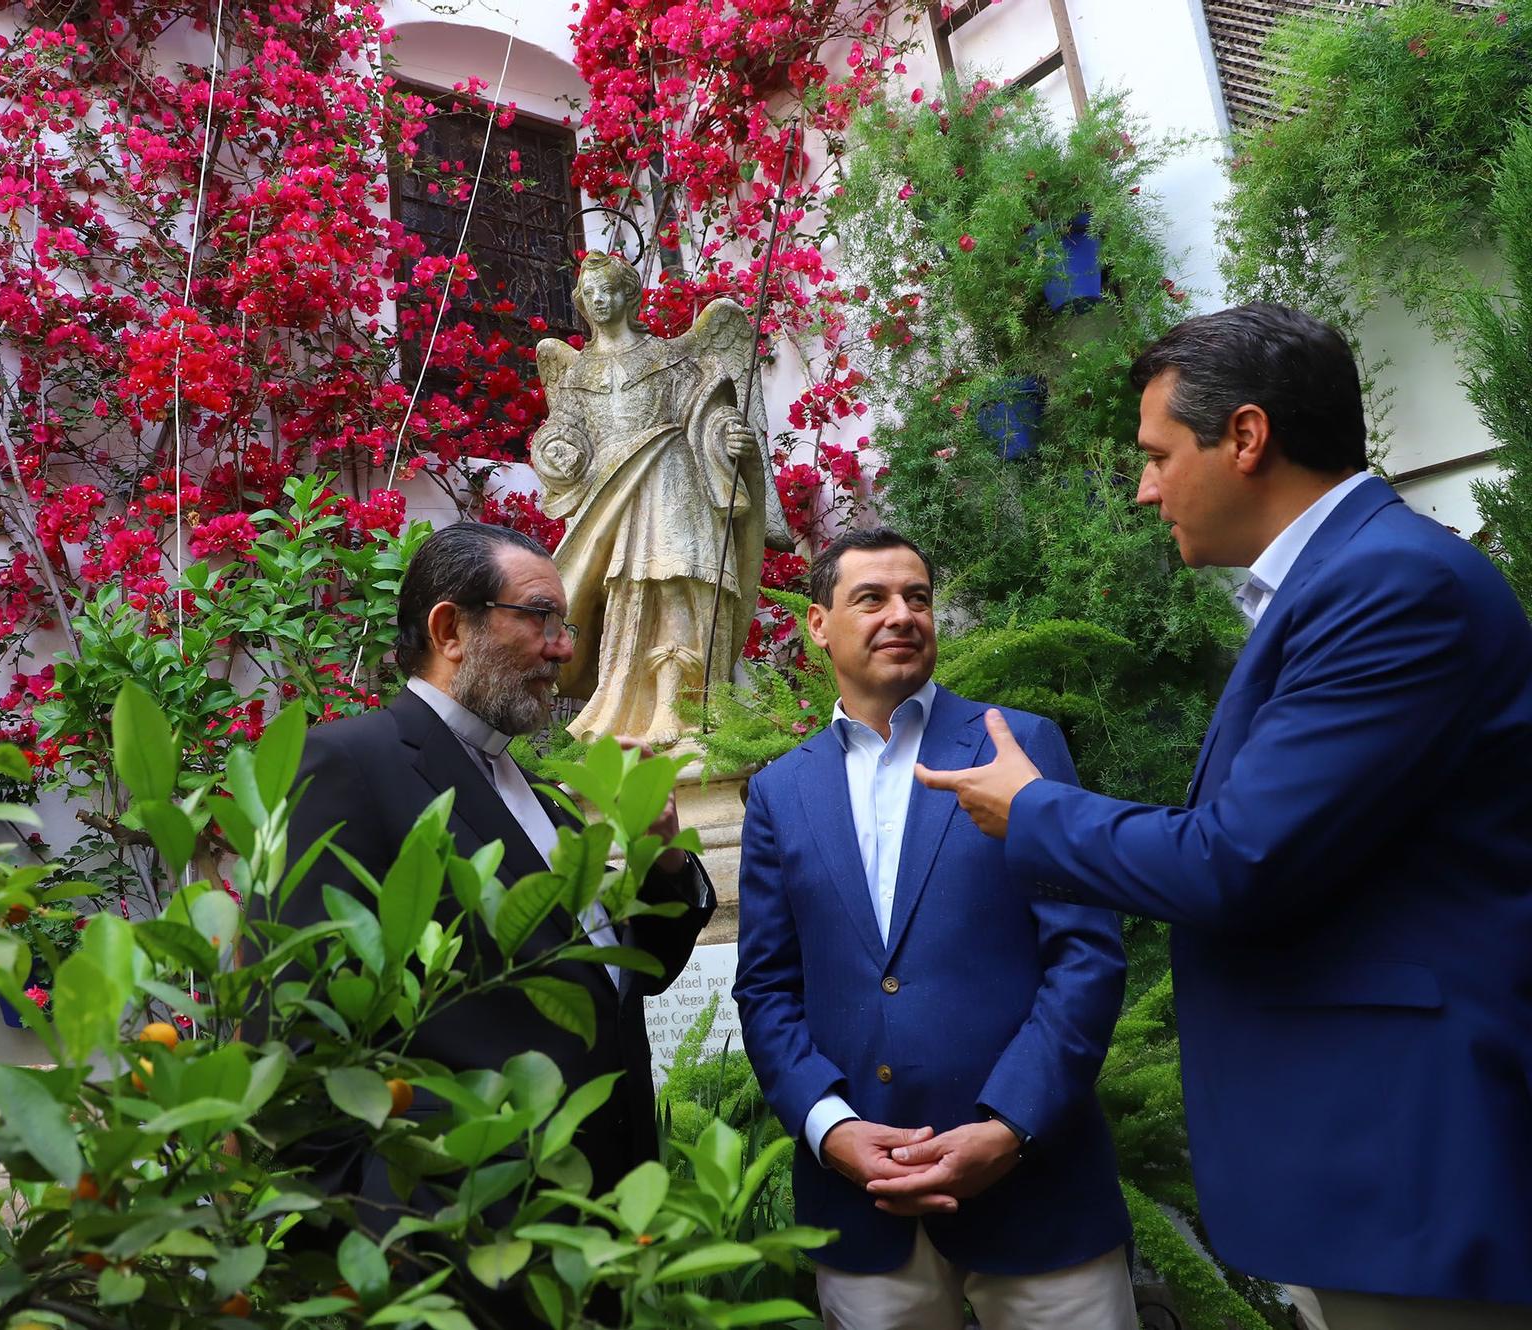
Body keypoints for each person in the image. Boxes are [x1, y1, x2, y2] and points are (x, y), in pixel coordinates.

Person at [917, 303, 1532, 1328]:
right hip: (1372, 1162)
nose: (1143, 486)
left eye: (1156, 453)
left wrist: (1032, 812)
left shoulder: (1387, 586)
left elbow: (1236, 860)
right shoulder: (1348, 583)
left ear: (1244, 437)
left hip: (1409, 1156)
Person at [734, 527, 1133, 1330]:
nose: (902, 614)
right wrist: (829, 1128)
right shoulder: (781, 791)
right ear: (818, 624)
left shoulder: (1019, 746)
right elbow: (768, 988)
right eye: (871, 597)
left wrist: (1009, 1124)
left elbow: (1084, 956)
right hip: (864, 1217)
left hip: (1036, 1197)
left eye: (917, 597)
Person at [280, 520, 716, 1228]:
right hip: (458, 1226)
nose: (565, 648)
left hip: (600, 1221)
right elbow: (300, 1024)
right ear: (450, 629)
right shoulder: (349, 764)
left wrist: (660, 855)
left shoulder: (543, 797)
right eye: (541, 617)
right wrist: (382, 1227)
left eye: (564, 624)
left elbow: (636, 972)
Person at [529, 250, 791, 745]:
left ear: (630, 296)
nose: (600, 300)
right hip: (616, 498)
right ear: (582, 303)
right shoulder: (576, 373)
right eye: (591, 294)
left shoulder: (670, 358)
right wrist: (556, 454)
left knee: (680, 584)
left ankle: (682, 708)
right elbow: (562, 433)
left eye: (610, 290)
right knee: (630, 595)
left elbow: (705, 411)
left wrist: (725, 434)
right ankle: (628, 709)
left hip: (675, 483)